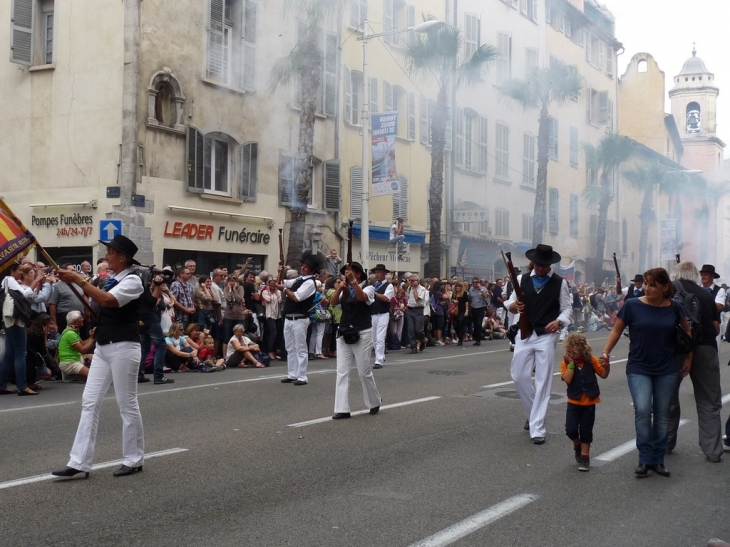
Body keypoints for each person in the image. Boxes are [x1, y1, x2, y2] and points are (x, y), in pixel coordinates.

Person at [52, 234, 146, 479]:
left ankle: (134, 459)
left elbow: (108, 301)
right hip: (104, 347)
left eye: (111, 252)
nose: (106, 256)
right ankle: (79, 462)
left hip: (124, 346)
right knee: (89, 402)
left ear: (123, 257)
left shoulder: (134, 280)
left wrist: (79, 279)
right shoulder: (112, 279)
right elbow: (100, 304)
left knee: (127, 403)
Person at [600, 268, 690, 478]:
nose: (647, 288)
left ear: (665, 287)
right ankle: (644, 458)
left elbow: (687, 331)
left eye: (652, 285)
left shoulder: (675, 307)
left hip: (667, 368)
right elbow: (616, 330)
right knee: (642, 410)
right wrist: (605, 352)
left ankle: (658, 459)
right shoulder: (632, 305)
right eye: (646, 284)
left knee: (661, 414)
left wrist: (689, 358)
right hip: (639, 366)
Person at [506, 244, 572, 445]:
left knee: (543, 380)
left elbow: (566, 308)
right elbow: (509, 302)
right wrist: (513, 306)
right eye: (539, 264)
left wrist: (559, 322)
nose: (542, 268)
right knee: (518, 376)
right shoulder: (520, 279)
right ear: (533, 263)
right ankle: (533, 413)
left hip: (546, 334)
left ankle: (538, 428)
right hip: (524, 334)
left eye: (545, 265)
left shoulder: (560, 283)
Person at [667, 261, 723, 462]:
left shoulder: (670, 290)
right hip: (706, 347)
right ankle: (713, 451)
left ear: (677, 274)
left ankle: (667, 442)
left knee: (669, 397)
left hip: (677, 348)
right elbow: (716, 328)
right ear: (696, 276)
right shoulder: (707, 295)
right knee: (709, 400)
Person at [329, 262, 381, 419]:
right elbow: (333, 302)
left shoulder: (369, 288)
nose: (346, 274)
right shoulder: (346, 288)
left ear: (358, 274)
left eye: (350, 272)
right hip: (344, 332)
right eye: (345, 273)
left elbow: (361, 297)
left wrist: (352, 282)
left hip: (362, 332)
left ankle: (374, 401)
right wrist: (341, 288)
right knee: (342, 371)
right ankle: (342, 408)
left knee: (363, 371)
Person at [560, 333, 610, 472]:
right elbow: (568, 380)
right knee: (570, 430)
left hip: (589, 402)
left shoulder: (591, 360)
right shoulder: (566, 362)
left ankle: (585, 457)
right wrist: (570, 364)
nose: (570, 354)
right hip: (573, 402)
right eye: (568, 352)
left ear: (583, 350)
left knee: (586, 430)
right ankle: (577, 444)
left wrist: (607, 366)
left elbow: (603, 375)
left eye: (574, 352)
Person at [278, 251, 321, 385]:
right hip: (289, 318)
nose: (302, 267)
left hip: (300, 318)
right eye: (302, 265)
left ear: (312, 270)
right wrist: (280, 271)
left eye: (306, 266)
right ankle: (292, 374)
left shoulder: (310, 283)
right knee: (290, 348)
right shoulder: (299, 280)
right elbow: (280, 282)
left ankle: (302, 376)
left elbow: (297, 297)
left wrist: (284, 290)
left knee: (301, 348)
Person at [0, 263, 40, 396]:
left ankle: (2, 384)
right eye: (19, 271)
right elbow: (25, 295)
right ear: (12, 271)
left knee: (9, 353)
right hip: (16, 319)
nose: (21, 273)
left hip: (8, 317)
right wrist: (36, 281)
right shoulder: (10, 280)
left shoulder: (6, 281)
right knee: (21, 354)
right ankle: (22, 386)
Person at [138, 272, 174, 386]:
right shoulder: (145, 289)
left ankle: (139, 374)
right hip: (150, 319)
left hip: (142, 320)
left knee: (144, 347)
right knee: (161, 345)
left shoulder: (143, 289)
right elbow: (152, 302)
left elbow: (158, 303)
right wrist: (157, 286)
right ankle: (158, 375)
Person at [57, 310, 95, 380]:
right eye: (81, 318)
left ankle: (78, 375)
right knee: (93, 377)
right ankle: (72, 374)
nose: (83, 319)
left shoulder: (72, 331)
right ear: (77, 322)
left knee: (95, 357)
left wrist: (91, 337)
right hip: (69, 363)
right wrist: (92, 339)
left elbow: (83, 344)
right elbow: (83, 350)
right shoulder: (70, 334)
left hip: (76, 359)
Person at [370, 264, 394, 369]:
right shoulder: (373, 285)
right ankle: (380, 355)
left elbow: (386, 298)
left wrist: (374, 293)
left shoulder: (389, 286)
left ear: (384, 273)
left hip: (383, 314)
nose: (377, 274)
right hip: (373, 313)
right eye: (375, 272)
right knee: (373, 338)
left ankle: (378, 360)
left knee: (380, 337)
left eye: (379, 272)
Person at [405, 274, 428, 354]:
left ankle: (422, 340)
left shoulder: (422, 289)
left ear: (417, 281)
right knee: (411, 329)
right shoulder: (409, 288)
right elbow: (408, 298)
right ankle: (413, 347)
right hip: (410, 309)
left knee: (419, 330)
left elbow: (417, 298)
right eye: (409, 280)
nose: (410, 282)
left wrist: (414, 288)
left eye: (412, 280)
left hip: (418, 309)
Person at [260, 278, 282, 362]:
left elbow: (280, 301)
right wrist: (269, 291)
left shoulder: (278, 292)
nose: (273, 286)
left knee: (277, 333)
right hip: (270, 315)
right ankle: (269, 351)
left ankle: (274, 350)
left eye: (274, 285)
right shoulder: (265, 292)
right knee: (273, 332)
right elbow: (268, 300)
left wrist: (276, 292)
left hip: (277, 315)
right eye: (271, 285)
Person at [467, 277, 491, 346]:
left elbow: (485, 296)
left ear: (479, 283)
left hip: (481, 308)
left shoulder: (483, 288)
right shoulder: (471, 290)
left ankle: (478, 339)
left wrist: (480, 288)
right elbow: (469, 299)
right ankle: (476, 337)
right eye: (473, 282)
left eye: (476, 282)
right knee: (475, 324)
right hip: (473, 308)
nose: (475, 284)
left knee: (479, 323)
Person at [308, 281, 328, 360]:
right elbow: (326, 301)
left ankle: (311, 351)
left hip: (312, 315)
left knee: (313, 333)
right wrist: (322, 294)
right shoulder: (318, 294)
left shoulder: (310, 294)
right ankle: (318, 352)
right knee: (320, 333)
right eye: (319, 287)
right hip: (319, 314)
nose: (321, 288)